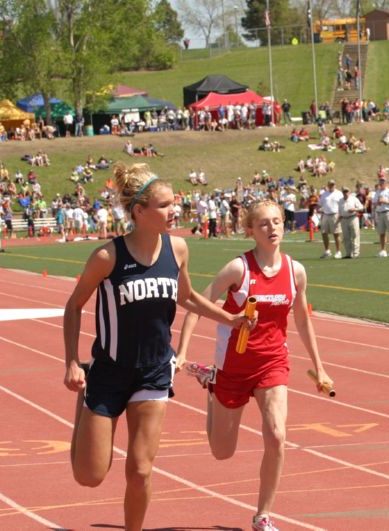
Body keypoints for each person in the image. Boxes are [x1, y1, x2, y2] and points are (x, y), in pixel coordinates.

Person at [63, 162, 249, 531]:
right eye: (164, 205)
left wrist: (230, 318)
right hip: (110, 372)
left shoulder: (177, 249)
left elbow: (187, 297)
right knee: (91, 476)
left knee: (141, 470)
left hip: (153, 371)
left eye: (173, 203)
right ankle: (83, 407)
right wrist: (71, 361)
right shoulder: (108, 258)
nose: (173, 210)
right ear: (139, 211)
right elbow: (73, 305)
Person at [178, 200, 332, 531]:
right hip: (233, 368)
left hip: (273, 364)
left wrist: (320, 368)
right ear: (250, 230)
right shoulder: (238, 269)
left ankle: (262, 515)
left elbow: (303, 321)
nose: (273, 228)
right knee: (222, 452)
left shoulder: (296, 271)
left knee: (277, 435)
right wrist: (182, 352)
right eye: (264, 224)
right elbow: (196, 305)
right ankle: (211, 385)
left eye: (277, 222)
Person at [372, 176, 389, 257]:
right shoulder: (377, 192)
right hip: (379, 213)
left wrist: (385, 201)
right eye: (380, 182)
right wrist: (377, 203)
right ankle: (383, 250)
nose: (382, 183)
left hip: (388, 212)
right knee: (382, 233)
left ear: (385, 183)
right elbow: (374, 203)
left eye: (383, 182)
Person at [318, 179, 342, 259]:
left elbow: (342, 204)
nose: (331, 186)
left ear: (335, 185)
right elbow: (320, 204)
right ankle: (327, 251)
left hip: (335, 214)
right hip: (325, 215)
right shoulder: (324, 194)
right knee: (324, 233)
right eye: (330, 184)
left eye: (333, 184)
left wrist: (340, 214)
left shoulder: (339, 193)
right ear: (328, 185)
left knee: (336, 233)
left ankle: (338, 251)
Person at [339, 186, 364, 258]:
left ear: (349, 192)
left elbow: (361, 208)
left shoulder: (354, 199)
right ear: (342, 192)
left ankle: (356, 254)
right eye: (344, 192)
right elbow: (340, 211)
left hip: (353, 218)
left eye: (347, 191)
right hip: (344, 219)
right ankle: (348, 254)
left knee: (355, 236)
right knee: (346, 237)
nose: (346, 193)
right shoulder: (340, 201)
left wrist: (355, 209)